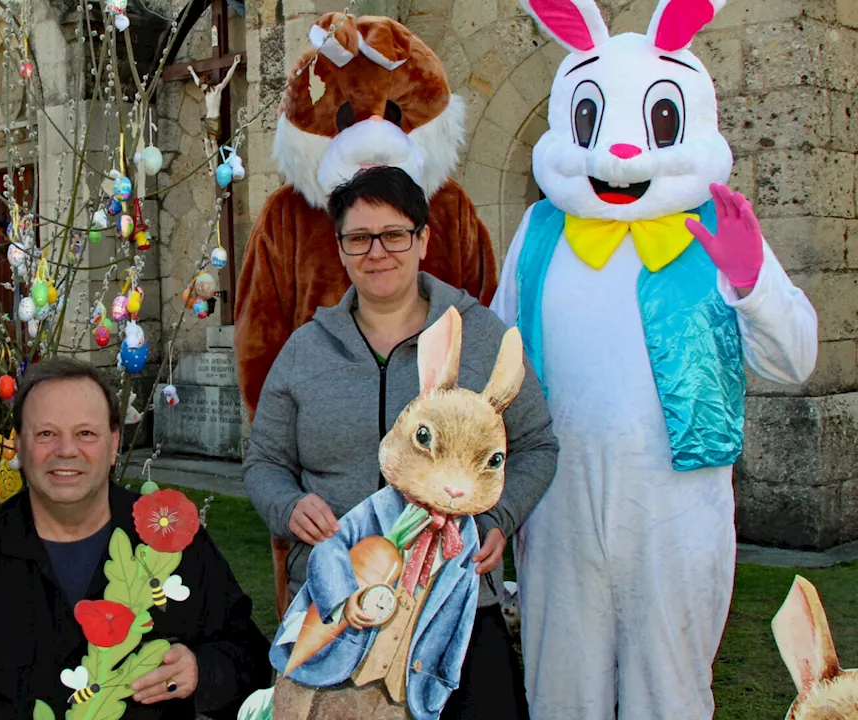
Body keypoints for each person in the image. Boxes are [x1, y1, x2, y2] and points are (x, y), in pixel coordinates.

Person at [493, 2, 819, 718]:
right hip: (559, 501)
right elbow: (499, 354)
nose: (619, 155)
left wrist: (751, 282)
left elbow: (796, 356)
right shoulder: (541, 231)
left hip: (678, 503)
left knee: (668, 691)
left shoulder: (719, 229)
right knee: (561, 692)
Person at [244, 166, 558, 718]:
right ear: (340, 248)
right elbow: (264, 461)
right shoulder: (304, 352)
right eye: (359, 238)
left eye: (395, 234)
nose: (377, 252)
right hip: (336, 608)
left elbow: (537, 445)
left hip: (454, 603)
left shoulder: (481, 336)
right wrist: (289, 507)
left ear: (423, 239)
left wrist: (497, 518)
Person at [0, 358, 271, 718]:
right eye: (46, 433)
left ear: (114, 444)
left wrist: (200, 671)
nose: (66, 450)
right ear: (18, 445)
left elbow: (251, 659)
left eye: (86, 433)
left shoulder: (169, 539)